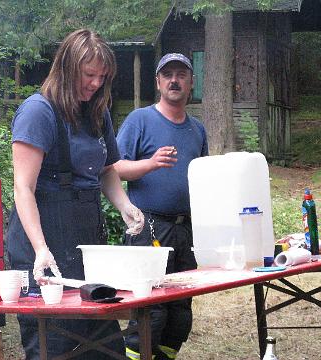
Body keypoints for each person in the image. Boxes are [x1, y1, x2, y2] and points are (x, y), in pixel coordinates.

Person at [7, 28, 144, 359]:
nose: (96, 83)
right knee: (52, 347)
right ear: (67, 67)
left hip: (86, 249)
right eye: (89, 74)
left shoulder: (97, 111)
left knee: (105, 349)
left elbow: (108, 170)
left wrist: (125, 205)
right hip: (43, 251)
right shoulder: (38, 111)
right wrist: (41, 249)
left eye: (102, 76)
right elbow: (22, 188)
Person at [114, 53, 209, 359]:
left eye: (181, 74)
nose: (174, 80)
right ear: (158, 83)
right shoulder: (140, 120)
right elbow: (114, 168)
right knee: (152, 312)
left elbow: (204, 178)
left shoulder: (198, 129)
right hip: (149, 228)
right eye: (167, 75)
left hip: (186, 230)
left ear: (191, 82)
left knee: (180, 312)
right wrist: (151, 164)